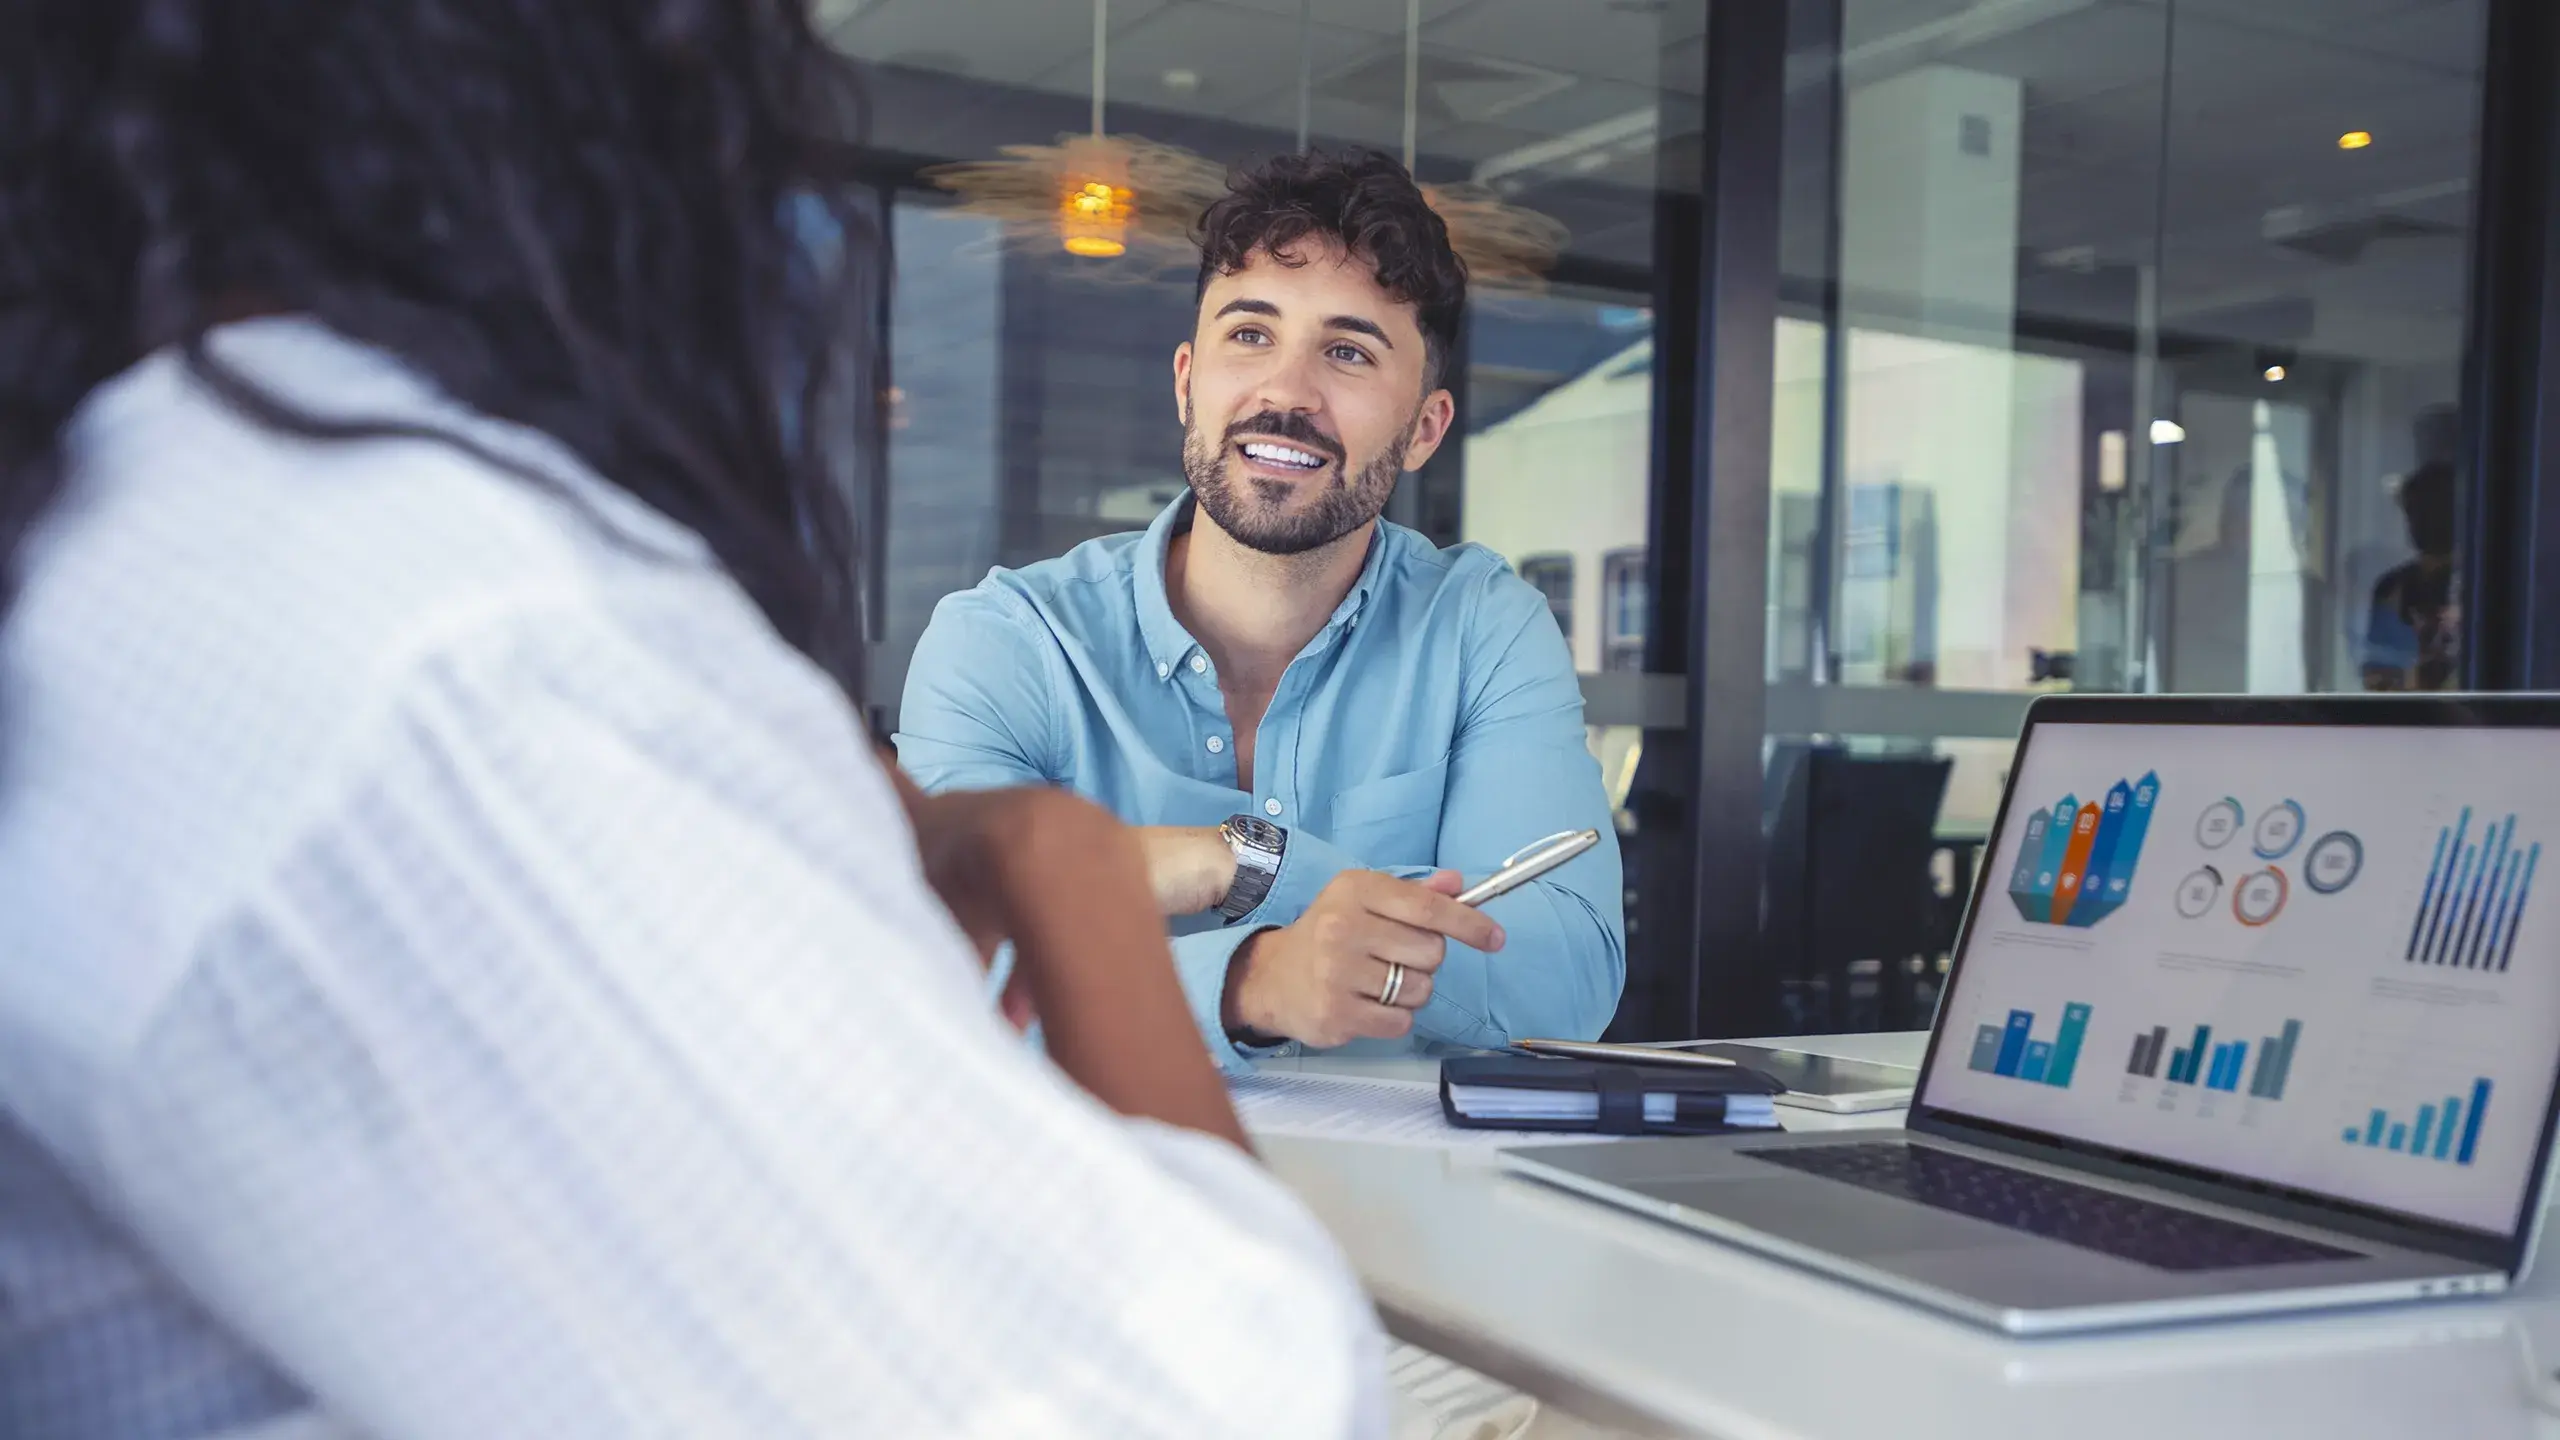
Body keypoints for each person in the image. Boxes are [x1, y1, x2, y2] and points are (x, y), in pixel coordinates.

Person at [0, 4, 1383, 1435]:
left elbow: (1545, 966)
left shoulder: (152, 520)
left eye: (1352, 350)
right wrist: (1075, 873)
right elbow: (1216, 1399)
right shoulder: (453, 641)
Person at [897, 150, 1625, 1068]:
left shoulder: (1483, 629)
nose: (1285, 393)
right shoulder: (1007, 644)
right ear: (1185, 383)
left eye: (1349, 352)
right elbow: (930, 971)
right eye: (1250, 335)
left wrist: (1252, 864)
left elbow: (1563, 982)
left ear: (1426, 430)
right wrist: (1250, 981)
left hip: (1410, 1206)